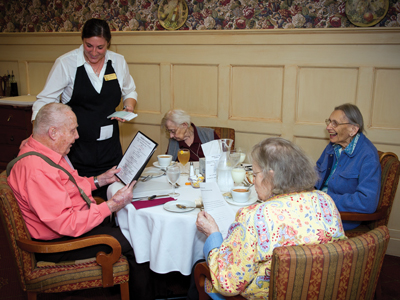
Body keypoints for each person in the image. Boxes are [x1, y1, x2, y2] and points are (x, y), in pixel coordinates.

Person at [8, 103, 153, 300]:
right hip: (60, 243)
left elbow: (66, 186)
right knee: (139, 242)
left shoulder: (40, 150)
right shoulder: (37, 170)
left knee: (129, 227)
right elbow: (67, 224)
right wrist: (112, 205)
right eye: (73, 130)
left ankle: (125, 289)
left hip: (70, 227)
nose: (77, 136)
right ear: (53, 132)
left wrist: (99, 180)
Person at [193, 137, 346, 299]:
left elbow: (227, 284)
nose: (252, 181)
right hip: (320, 292)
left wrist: (213, 235)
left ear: (271, 176)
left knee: (199, 271)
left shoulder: (255, 217)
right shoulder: (325, 201)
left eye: (255, 174)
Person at [29, 18, 138, 200]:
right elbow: (44, 101)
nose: (94, 52)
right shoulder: (66, 63)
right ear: (82, 40)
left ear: (108, 44)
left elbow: (130, 90)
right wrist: (36, 138)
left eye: (100, 47)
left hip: (110, 146)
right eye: (89, 46)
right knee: (80, 199)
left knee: (113, 196)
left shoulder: (118, 62)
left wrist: (128, 107)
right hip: (78, 147)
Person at [315, 103, 381, 231]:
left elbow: (367, 202)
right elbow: (317, 170)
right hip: (316, 206)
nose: (328, 127)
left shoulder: (368, 156)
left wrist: (325, 198)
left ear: (353, 129)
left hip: (340, 217)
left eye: (335, 123)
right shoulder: (332, 145)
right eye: (329, 122)